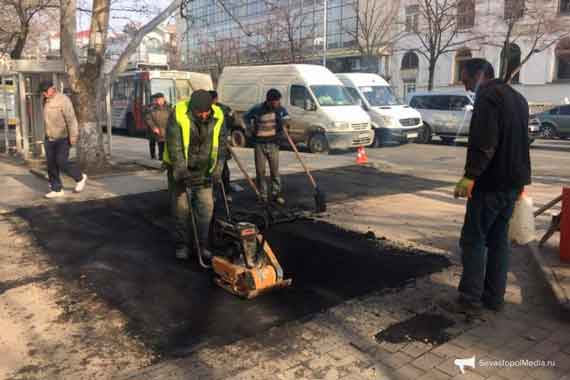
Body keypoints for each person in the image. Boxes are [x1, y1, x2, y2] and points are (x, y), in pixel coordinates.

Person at [446, 58, 531, 314]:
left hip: (491, 184)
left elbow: (486, 142)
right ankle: (494, 298)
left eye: (466, 79)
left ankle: (469, 300)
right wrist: (522, 181)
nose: (465, 86)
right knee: (498, 240)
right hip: (514, 182)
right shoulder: (518, 98)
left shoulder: (488, 98)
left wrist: (470, 176)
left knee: (473, 239)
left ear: (480, 75)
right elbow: (520, 142)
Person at [163, 90, 226, 261]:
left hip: (204, 171)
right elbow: (174, 146)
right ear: (192, 107)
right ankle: (182, 245)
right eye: (200, 112)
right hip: (180, 169)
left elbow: (222, 145)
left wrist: (218, 169)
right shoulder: (178, 113)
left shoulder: (218, 114)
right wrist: (182, 172)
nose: (204, 115)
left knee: (206, 209)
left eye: (206, 111)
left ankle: (202, 245)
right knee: (181, 210)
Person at [40, 81, 87, 199]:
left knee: (61, 161)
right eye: (43, 93)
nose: (44, 94)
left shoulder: (63, 100)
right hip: (49, 137)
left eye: (45, 92)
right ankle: (56, 189)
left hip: (63, 137)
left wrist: (73, 136)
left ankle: (80, 177)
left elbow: (71, 119)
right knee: (51, 165)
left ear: (51, 89)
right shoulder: (45, 100)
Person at [243, 89, 289, 205]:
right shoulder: (257, 109)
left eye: (278, 101)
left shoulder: (280, 109)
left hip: (273, 144)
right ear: (268, 101)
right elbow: (245, 117)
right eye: (275, 102)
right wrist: (248, 128)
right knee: (260, 171)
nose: (277, 104)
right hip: (259, 144)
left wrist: (285, 124)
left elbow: (287, 118)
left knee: (275, 170)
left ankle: (276, 194)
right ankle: (262, 195)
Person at [209, 90, 234, 201]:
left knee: (224, 171)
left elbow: (232, 120)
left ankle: (227, 193)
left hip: (222, 144)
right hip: (210, 146)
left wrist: (227, 133)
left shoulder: (224, 109)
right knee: (211, 171)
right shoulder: (204, 110)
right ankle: (212, 194)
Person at [143, 93, 170, 160]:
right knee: (152, 142)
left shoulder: (169, 107)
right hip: (154, 129)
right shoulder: (151, 108)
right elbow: (148, 118)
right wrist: (153, 127)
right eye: (157, 100)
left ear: (163, 99)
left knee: (162, 143)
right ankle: (153, 156)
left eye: (160, 99)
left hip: (164, 128)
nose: (158, 101)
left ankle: (161, 158)